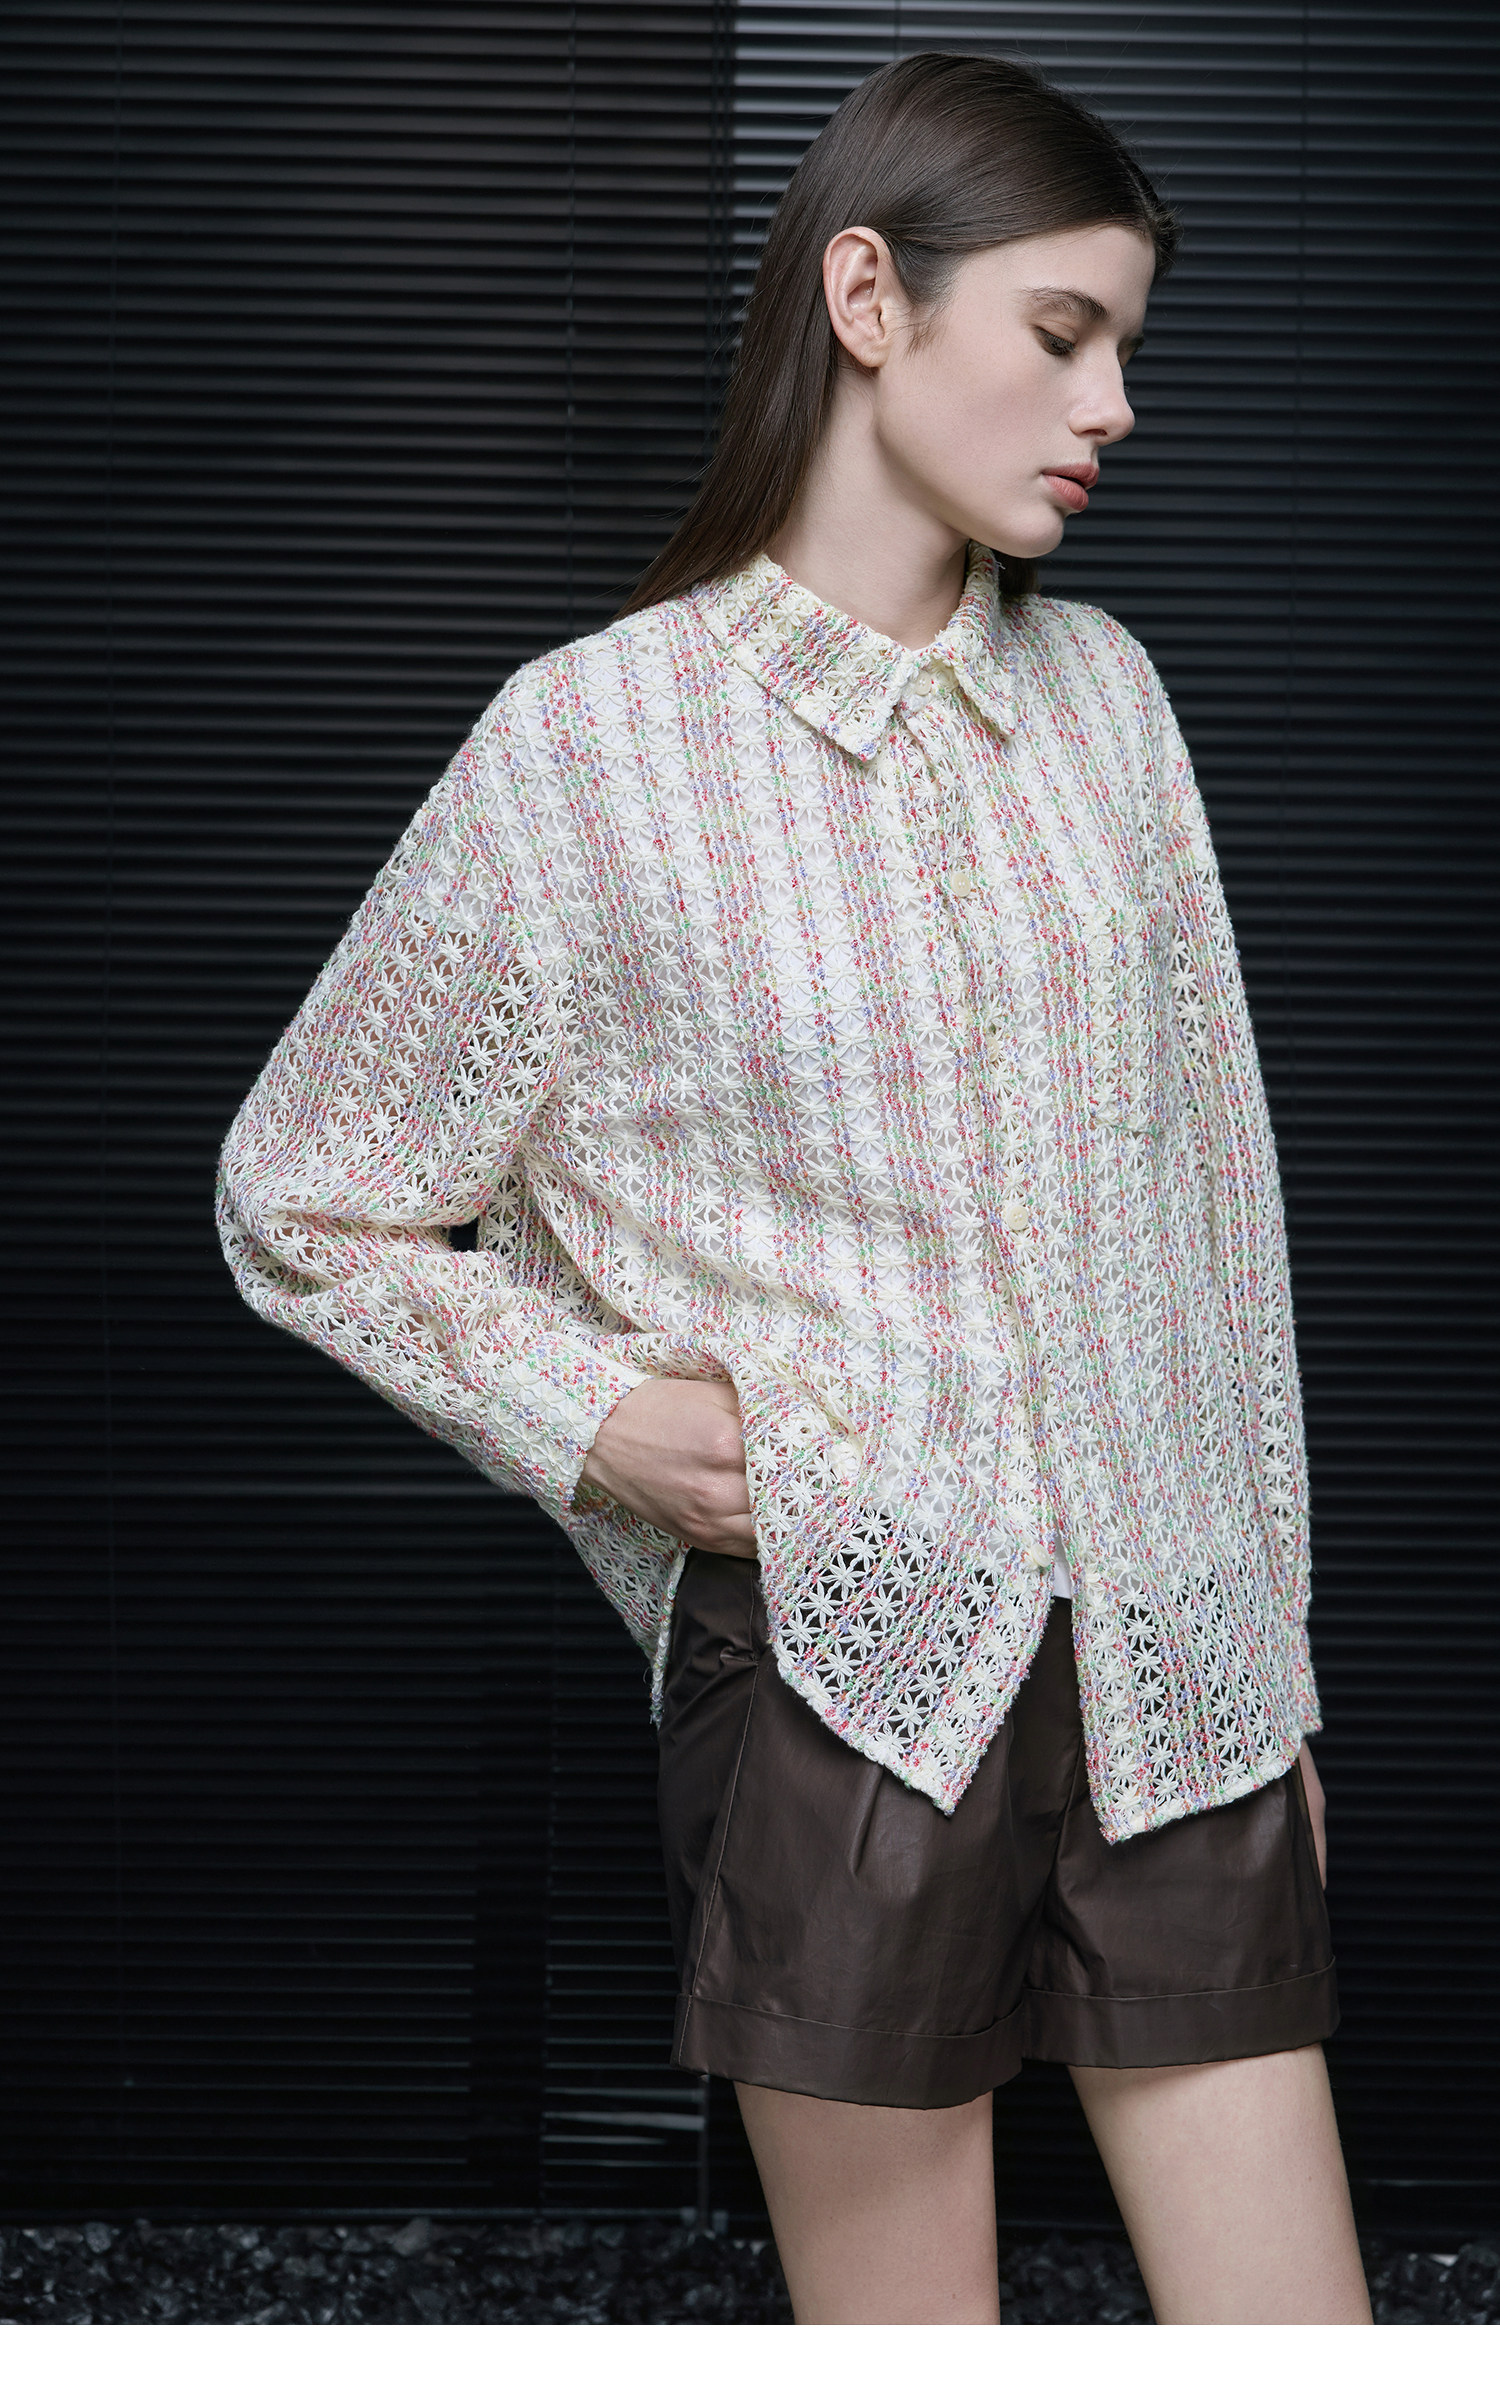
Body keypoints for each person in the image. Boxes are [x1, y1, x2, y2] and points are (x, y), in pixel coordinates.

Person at [217, 53, 1372, 2324]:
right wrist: (601, 1421)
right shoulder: (588, 748)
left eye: (1128, 346)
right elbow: (302, 1194)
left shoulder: (1111, 703)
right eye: (1063, 334)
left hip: (1177, 1669)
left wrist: (1280, 1670)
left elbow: (1219, 1225)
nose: (1114, 406)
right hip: (853, 1679)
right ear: (867, 297)